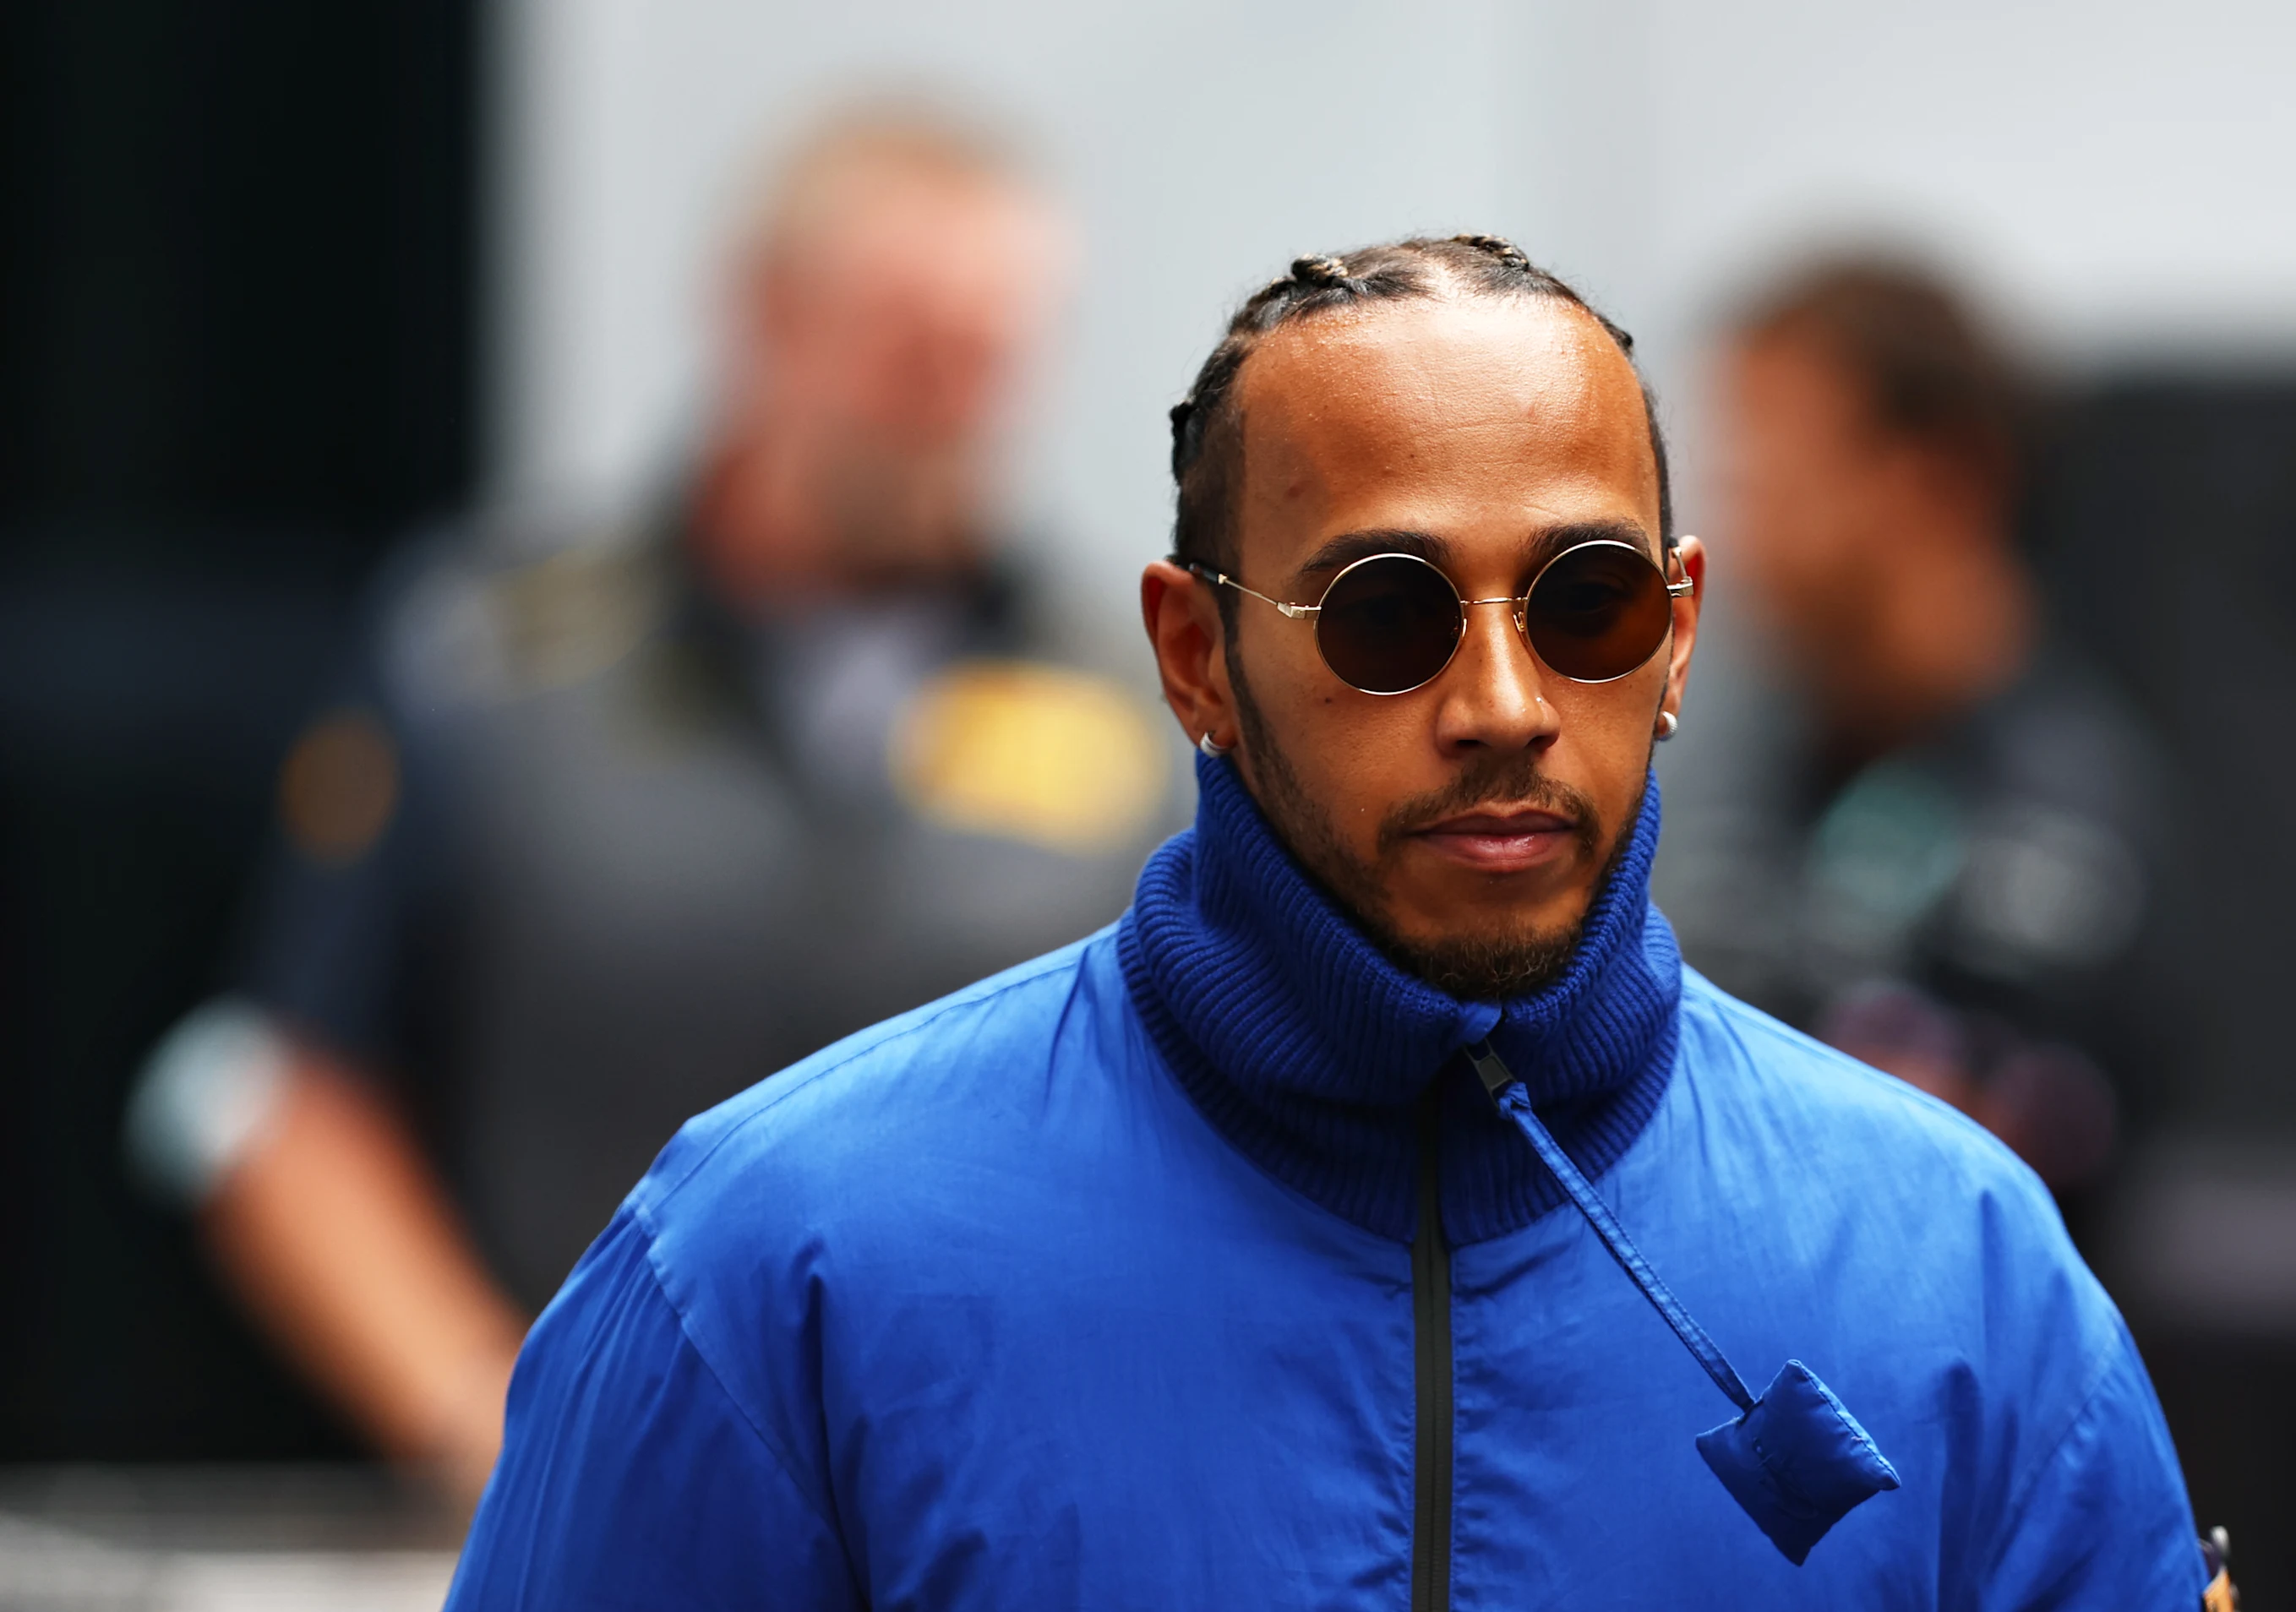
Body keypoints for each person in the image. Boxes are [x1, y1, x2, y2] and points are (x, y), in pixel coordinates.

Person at [446, 236, 2206, 1607]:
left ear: (1674, 638)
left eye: (1585, 603)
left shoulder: (1961, 1277)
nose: (1505, 700)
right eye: (1389, 615)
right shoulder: (775, 1264)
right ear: (1195, 659)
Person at [123, 106, 1175, 1503]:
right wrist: (490, 1424)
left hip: (999, 1510)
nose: (947, 397)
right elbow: (292, 1098)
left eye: (987, 351)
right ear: (766, 316)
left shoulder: (1135, 689)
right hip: (592, 1496)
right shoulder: (494, 657)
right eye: (905, 340)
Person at [1663, 253, 2176, 1195]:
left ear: (1939, 478)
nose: (1736, 534)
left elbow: (1936, 1171)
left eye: (1775, 480)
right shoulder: (1711, 769)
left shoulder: (2079, 812)